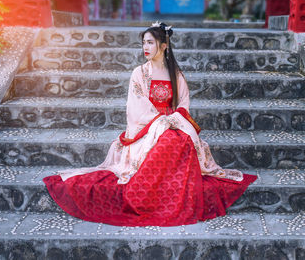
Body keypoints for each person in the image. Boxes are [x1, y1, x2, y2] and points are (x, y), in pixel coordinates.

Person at [43, 22, 257, 227]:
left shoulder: (176, 75)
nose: (145, 47)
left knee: (182, 142)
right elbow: (137, 106)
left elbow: (183, 103)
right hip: (149, 125)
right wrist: (160, 121)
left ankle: (173, 190)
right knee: (169, 142)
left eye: (150, 43)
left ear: (164, 46)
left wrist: (174, 119)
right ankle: (144, 195)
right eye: (143, 43)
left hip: (174, 122)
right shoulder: (139, 73)